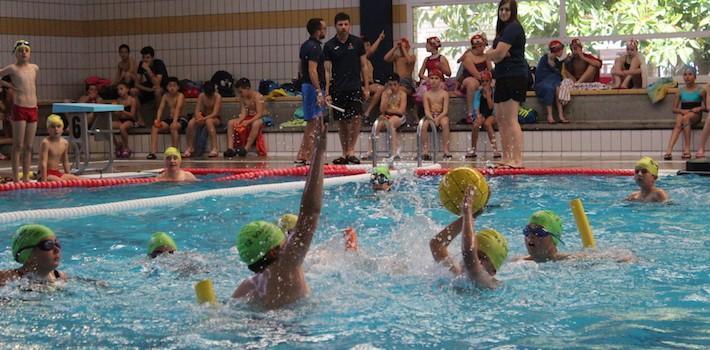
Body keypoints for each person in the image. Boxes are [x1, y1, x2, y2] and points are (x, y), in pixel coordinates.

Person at [232, 117, 327, 309]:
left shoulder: (246, 287)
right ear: (275, 249)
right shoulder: (288, 262)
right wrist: (319, 153)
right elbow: (311, 211)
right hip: (293, 329)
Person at [430, 188, 508, 289]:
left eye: (482, 257)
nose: (476, 259)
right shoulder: (456, 276)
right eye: (477, 254)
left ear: (492, 271)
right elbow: (437, 244)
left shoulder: (487, 283)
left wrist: (467, 211)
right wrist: (472, 215)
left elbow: (469, 252)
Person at [485, 0, 527, 169]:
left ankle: (517, 159)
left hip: (515, 75)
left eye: (507, 10)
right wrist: (495, 54)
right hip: (502, 76)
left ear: (513, 11)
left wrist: (492, 54)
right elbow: (499, 55)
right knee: (501, 120)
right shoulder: (502, 31)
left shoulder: (513, 28)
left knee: (510, 119)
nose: (503, 13)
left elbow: (499, 54)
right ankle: (506, 157)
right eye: (501, 9)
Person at [324, 12, 369, 165]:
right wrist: (327, 92)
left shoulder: (357, 43)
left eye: (345, 24)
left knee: (356, 118)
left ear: (350, 25)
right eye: (340, 25)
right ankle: (345, 153)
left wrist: (366, 87)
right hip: (338, 88)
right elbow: (327, 71)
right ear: (335, 26)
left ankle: (351, 150)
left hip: (354, 86)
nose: (343, 27)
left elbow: (364, 66)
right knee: (342, 122)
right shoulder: (329, 46)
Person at [0, 40, 39, 182]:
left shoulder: (35, 68)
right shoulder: (12, 69)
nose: (24, 53)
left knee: (29, 146)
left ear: (30, 53)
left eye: (26, 50)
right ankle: (16, 178)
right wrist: (8, 84)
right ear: (15, 54)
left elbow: (34, 87)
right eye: (20, 50)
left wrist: (36, 103)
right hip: (20, 108)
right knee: (18, 145)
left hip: (33, 108)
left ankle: (26, 178)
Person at [295, 18, 327, 166]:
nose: (325, 31)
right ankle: (304, 156)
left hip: (309, 87)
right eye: (324, 29)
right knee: (313, 123)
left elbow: (301, 68)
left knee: (318, 123)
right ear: (317, 31)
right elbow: (311, 70)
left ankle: (312, 155)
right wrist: (319, 91)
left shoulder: (305, 46)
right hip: (312, 88)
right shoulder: (314, 48)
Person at [0, 224, 67, 287]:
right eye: (49, 245)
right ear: (28, 255)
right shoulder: (7, 279)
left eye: (57, 244)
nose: (57, 249)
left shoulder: (61, 277)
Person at [663, 66, 706, 160]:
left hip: (695, 114)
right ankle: (669, 150)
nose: (687, 77)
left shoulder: (701, 90)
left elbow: (707, 107)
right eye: (685, 75)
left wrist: (699, 108)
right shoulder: (680, 91)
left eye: (690, 74)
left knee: (685, 118)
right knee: (679, 122)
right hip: (684, 112)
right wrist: (682, 111)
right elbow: (674, 109)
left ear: (695, 77)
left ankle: (687, 148)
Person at [364, 73, 406, 160]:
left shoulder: (402, 94)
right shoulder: (385, 94)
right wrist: (387, 97)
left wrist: (388, 111)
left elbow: (401, 111)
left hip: (399, 117)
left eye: (395, 84)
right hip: (386, 116)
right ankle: (370, 152)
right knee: (376, 125)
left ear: (399, 84)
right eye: (390, 85)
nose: (392, 87)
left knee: (390, 123)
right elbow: (382, 110)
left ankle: (394, 152)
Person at [223, 78, 267, 158]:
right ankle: (230, 148)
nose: (240, 94)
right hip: (249, 117)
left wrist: (248, 121)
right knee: (230, 123)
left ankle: (246, 148)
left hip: (263, 118)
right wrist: (239, 121)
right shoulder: (242, 98)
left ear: (247, 88)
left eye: (241, 91)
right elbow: (243, 114)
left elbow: (260, 114)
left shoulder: (258, 96)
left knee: (256, 123)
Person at [147, 77, 185, 160]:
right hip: (170, 119)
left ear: (178, 87)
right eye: (170, 86)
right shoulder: (165, 96)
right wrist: (158, 119)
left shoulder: (180, 95)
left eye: (174, 86)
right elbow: (160, 108)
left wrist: (175, 122)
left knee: (173, 127)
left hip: (181, 119)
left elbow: (178, 109)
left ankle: (175, 152)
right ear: (167, 87)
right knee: (155, 127)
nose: (172, 88)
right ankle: (152, 152)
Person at [466, 71, 501, 159]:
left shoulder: (494, 92)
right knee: (475, 125)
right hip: (482, 114)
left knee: (487, 124)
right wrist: (478, 116)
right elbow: (476, 107)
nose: (484, 83)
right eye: (482, 81)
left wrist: (488, 95)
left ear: (490, 81)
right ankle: (473, 149)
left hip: (493, 114)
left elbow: (491, 107)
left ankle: (495, 150)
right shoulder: (478, 93)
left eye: (486, 81)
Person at [460, 32, 493, 124]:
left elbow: (491, 71)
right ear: (476, 46)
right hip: (468, 81)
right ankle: (471, 113)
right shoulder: (468, 57)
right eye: (482, 46)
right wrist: (485, 81)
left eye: (484, 46)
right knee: (472, 83)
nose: (484, 48)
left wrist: (491, 80)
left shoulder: (486, 56)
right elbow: (476, 74)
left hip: (482, 81)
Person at [183, 82, 222, 158]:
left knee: (209, 121)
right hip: (203, 117)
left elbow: (215, 113)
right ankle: (190, 147)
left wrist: (203, 118)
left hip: (215, 119)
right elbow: (197, 110)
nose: (209, 96)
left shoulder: (218, 97)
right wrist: (198, 117)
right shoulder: (201, 96)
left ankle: (215, 148)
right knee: (191, 122)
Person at [535, 40, 570, 124]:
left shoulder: (559, 60)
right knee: (549, 88)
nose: (561, 51)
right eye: (559, 50)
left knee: (558, 88)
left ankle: (561, 115)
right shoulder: (547, 57)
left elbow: (560, 72)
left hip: (554, 79)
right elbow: (547, 68)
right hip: (543, 80)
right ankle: (550, 115)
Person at [38, 115, 79, 182]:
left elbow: (65, 161)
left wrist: (69, 176)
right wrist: (44, 181)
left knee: (79, 180)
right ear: (48, 129)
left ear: (62, 129)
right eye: (53, 127)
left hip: (57, 173)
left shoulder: (65, 143)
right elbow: (43, 163)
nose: (56, 129)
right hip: (45, 174)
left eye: (58, 126)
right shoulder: (46, 143)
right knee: (62, 182)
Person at [133, 46, 168, 125]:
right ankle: (140, 119)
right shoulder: (141, 64)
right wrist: (148, 90)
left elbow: (157, 84)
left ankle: (158, 118)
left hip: (163, 87)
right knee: (133, 91)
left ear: (152, 57)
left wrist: (148, 70)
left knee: (157, 91)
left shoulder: (159, 64)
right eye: (143, 57)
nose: (145, 60)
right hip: (150, 88)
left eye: (148, 57)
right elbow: (136, 83)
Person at [421, 70, 451, 160]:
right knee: (423, 125)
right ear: (428, 80)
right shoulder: (426, 94)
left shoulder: (444, 94)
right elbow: (426, 111)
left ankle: (446, 149)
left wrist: (438, 118)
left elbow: (445, 110)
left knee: (445, 123)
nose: (434, 80)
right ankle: (425, 150)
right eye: (431, 78)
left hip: (441, 115)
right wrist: (432, 119)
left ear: (441, 80)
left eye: (436, 78)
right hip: (430, 115)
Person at [362, 32, 387, 121]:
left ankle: (383, 114)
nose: (369, 47)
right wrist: (379, 39)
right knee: (380, 88)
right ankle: (367, 113)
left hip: (370, 85)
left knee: (386, 89)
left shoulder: (367, 60)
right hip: (362, 85)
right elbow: (372, 50)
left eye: (369, 45)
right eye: (367, 45)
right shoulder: (360, 58)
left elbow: (371, 50)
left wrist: (379, 39)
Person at [112, 81, 138, 159]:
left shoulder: (132, 100)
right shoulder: (118, 100)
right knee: (108, 126)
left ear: (127, 89)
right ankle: (117, 146)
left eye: (121, 89)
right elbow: (117, 114)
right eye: (118, 90)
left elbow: (132, 115)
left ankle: (126, 148)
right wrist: (115, 109)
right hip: (121, 120)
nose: (119, 91)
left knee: (122, 128)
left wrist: (122, 110)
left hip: (130, 121)